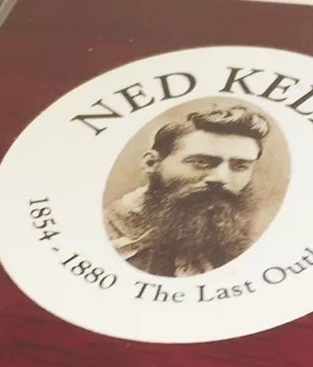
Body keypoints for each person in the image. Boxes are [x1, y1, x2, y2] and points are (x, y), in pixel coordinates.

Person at [105, 105, 270, 277]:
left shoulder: (248, 239)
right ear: (151, 163)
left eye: (240, 166)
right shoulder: (106, 232)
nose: (221, 178)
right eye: (200, 162)